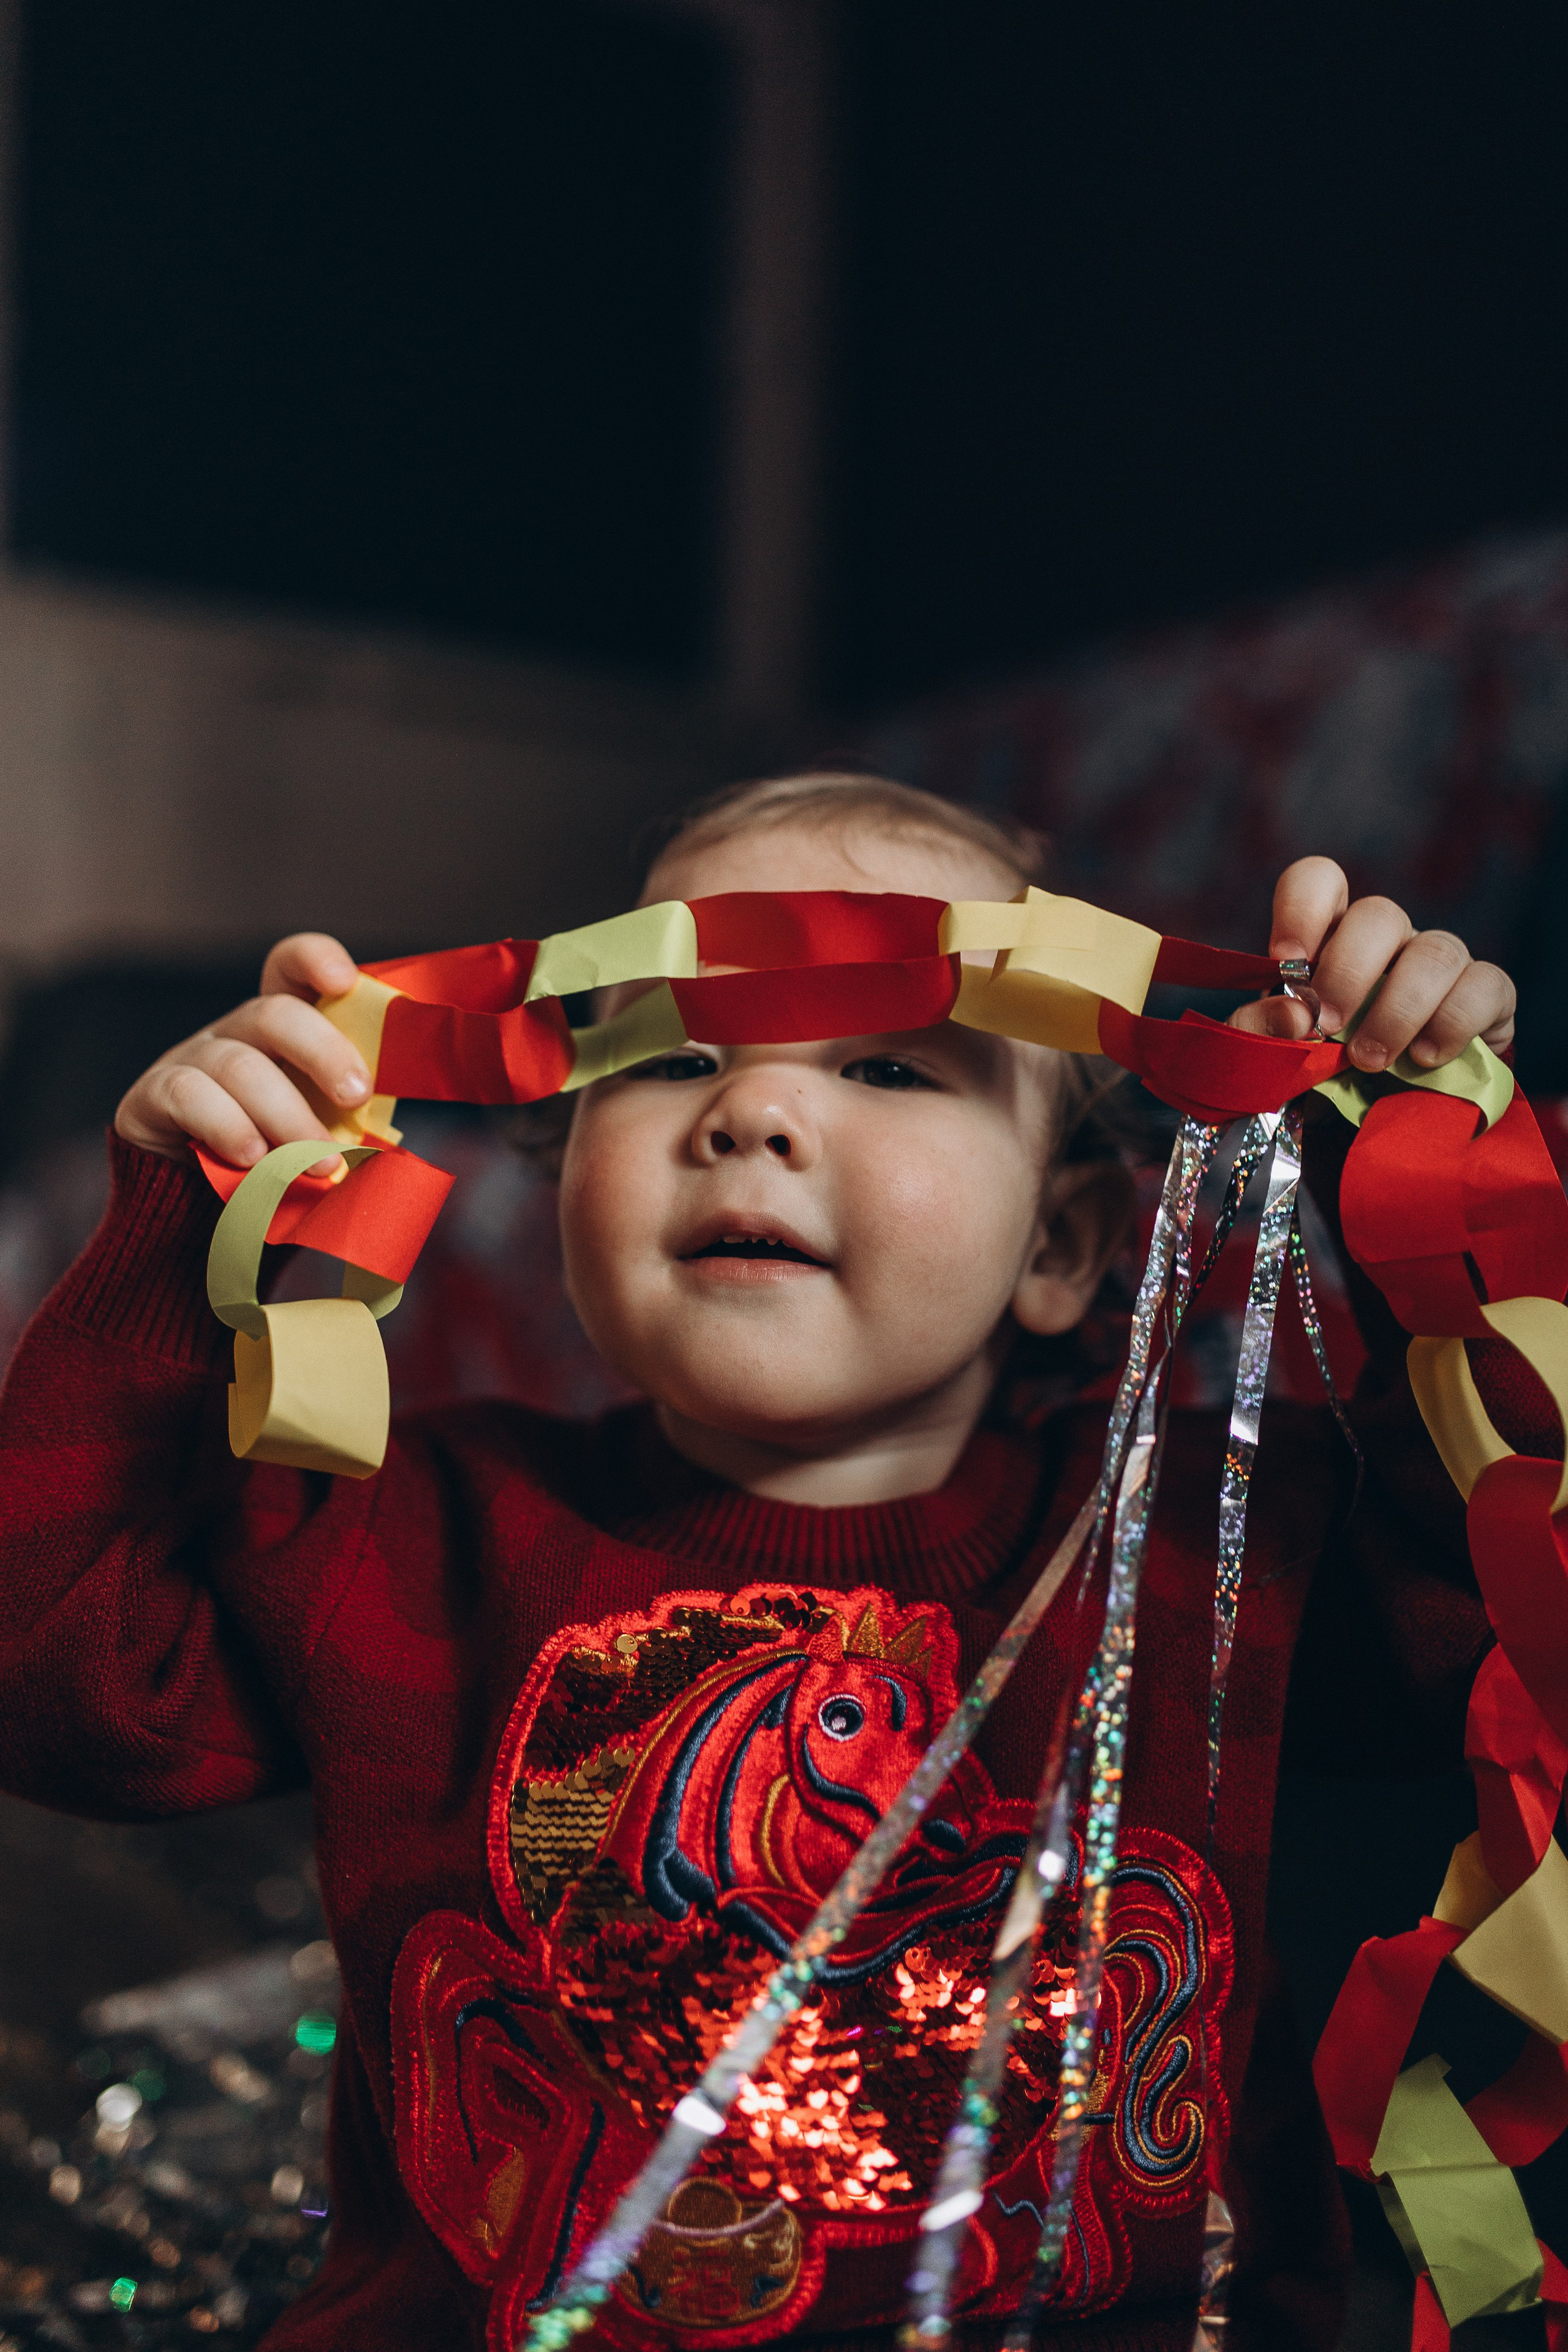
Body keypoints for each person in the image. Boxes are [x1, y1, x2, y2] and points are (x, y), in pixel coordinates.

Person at [0, 775, 1526, 2352]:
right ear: (559, 1162)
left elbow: (1502, 1599)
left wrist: (1426, 1183)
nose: (750, 1115)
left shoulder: (1211, 1539)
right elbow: (54, 1679)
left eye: (886, 1064)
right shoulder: (409, 1534)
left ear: (1060, 1244)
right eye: (675, 1057)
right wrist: (179, 1228)